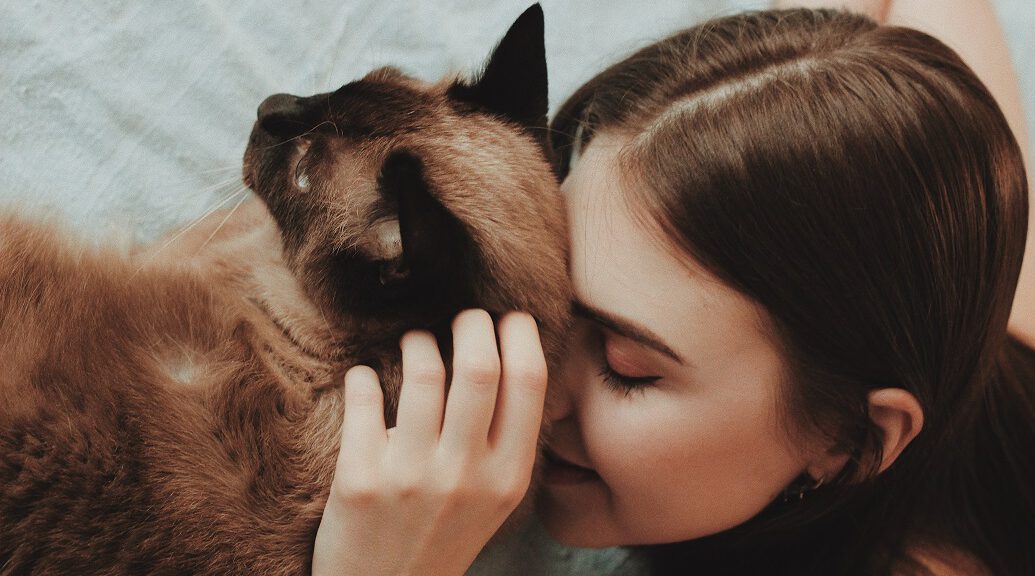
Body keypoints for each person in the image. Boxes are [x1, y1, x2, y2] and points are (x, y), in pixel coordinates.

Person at [311, 0, 1035, 574]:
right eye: (554, 293)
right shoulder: (972, 272)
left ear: (847, 443)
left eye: (626, 367)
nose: (530, 386)